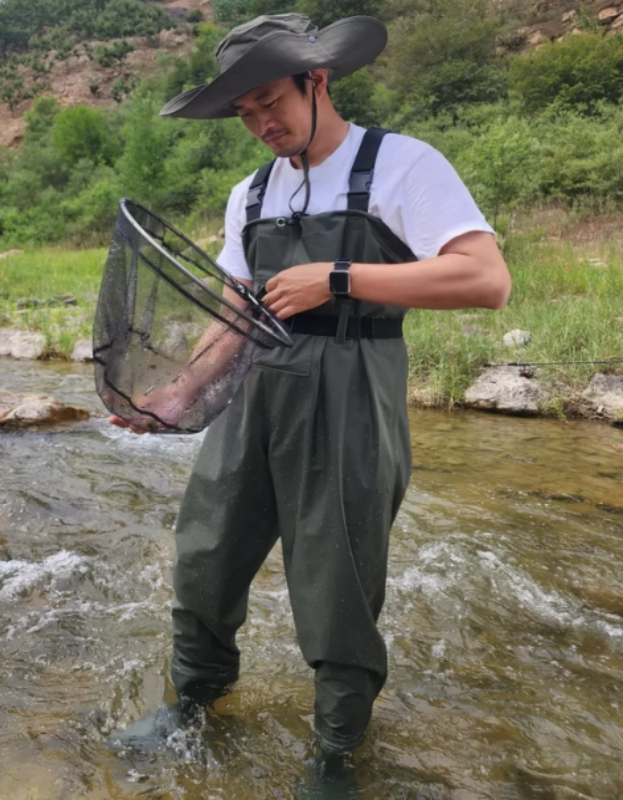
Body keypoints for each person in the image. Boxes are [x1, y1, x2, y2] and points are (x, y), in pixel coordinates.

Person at [109, 11, 511, 795]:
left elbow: (486, 280)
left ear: (316, 81)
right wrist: (181, 395)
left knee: (337, 583)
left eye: (271, 101)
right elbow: (233, 317)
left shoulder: (401, 164)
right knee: (204, 556)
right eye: (244, 112)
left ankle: (334, 754)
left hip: (354, 391)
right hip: (253, 392)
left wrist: (339, 277)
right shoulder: (249, 194)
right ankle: (192, 702)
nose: (260, 123)